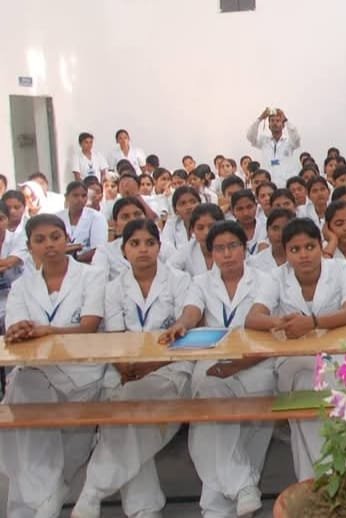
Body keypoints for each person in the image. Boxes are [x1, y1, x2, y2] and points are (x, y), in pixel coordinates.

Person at [72, 220, 193, 518]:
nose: (143, 250)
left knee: (129, 412)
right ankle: (144, 507)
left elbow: (186, 328)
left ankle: (93, 490)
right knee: (128, 419)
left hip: (170, 366)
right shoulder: (113, 288)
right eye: (135, 244)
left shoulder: (180, 280)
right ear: (123, 250)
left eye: (150, 243)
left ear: (159, 247)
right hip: (125, 370)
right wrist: (125, 366)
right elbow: (115, 337)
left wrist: (150, 365)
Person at [161, 221, 274, 517]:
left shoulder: (266, 280)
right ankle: (243, 487)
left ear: (244, 248)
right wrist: (182, 324)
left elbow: (267, 323)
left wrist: (239, 364)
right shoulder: (200, 282)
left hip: (255, 361)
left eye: (233, 246)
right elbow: (192, 311)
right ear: (210, 253)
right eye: (219, 248)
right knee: (209, 409)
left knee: (229, 430)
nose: (227, 254)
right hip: (214, 363)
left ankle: (218, 505)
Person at [0, 214, 107, 518]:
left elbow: (88, 326)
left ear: (67, 240)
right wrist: (20, 331)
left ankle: (38, 503)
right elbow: (16, 329)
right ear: (29, 246)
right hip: (37, 370)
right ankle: (41, 502)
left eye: (55, 237)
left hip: (80, 373)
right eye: (40, 240)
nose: (49, 245)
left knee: (59, 436)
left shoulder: (91, 276)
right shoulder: (22, 285)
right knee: (25, 397)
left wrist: (48, 331)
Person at [246, 217, 346, 481]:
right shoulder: (277, 276)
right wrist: (280, 322)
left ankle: (315, 482)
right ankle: (331, 480)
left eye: (310, 247)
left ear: (321, 246)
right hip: (293, 358)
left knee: (313, 393)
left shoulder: (343, 269)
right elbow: (253, 318)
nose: (304, 255)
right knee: (305, 386)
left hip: (338, 356)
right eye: (295, 249)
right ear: (286, 252)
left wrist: (312, 322)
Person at [246, 107, 301, 186]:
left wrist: (286, 120)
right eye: (272, 121)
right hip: (268, 185)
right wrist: (260, 118)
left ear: (283, 125)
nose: (275, 123)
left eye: (278, 121)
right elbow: (250, 136)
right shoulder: (263, 141)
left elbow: (297, 138)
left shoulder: (289, 142)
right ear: (269, 125)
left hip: (285, 185)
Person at [167, 202, 224, 276]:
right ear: (192, 230)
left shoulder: (232, 248)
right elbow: (168, 269)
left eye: (211, 227)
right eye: (200, 228)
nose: (206, 232)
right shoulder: (188, 249)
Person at [63, 181, 107, 263]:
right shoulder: (57, 217)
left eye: (83, 196)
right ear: (66, 197)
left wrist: (75, 260)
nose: (80, 199)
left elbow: (99, 249)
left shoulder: (97, 217)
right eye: (75, 195)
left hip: (88, 264)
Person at [248, 207, 295, 272]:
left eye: (286, 229)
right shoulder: (254, 263)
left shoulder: (302, 260)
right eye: (275, 229)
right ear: (267, 231)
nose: (280, 234)